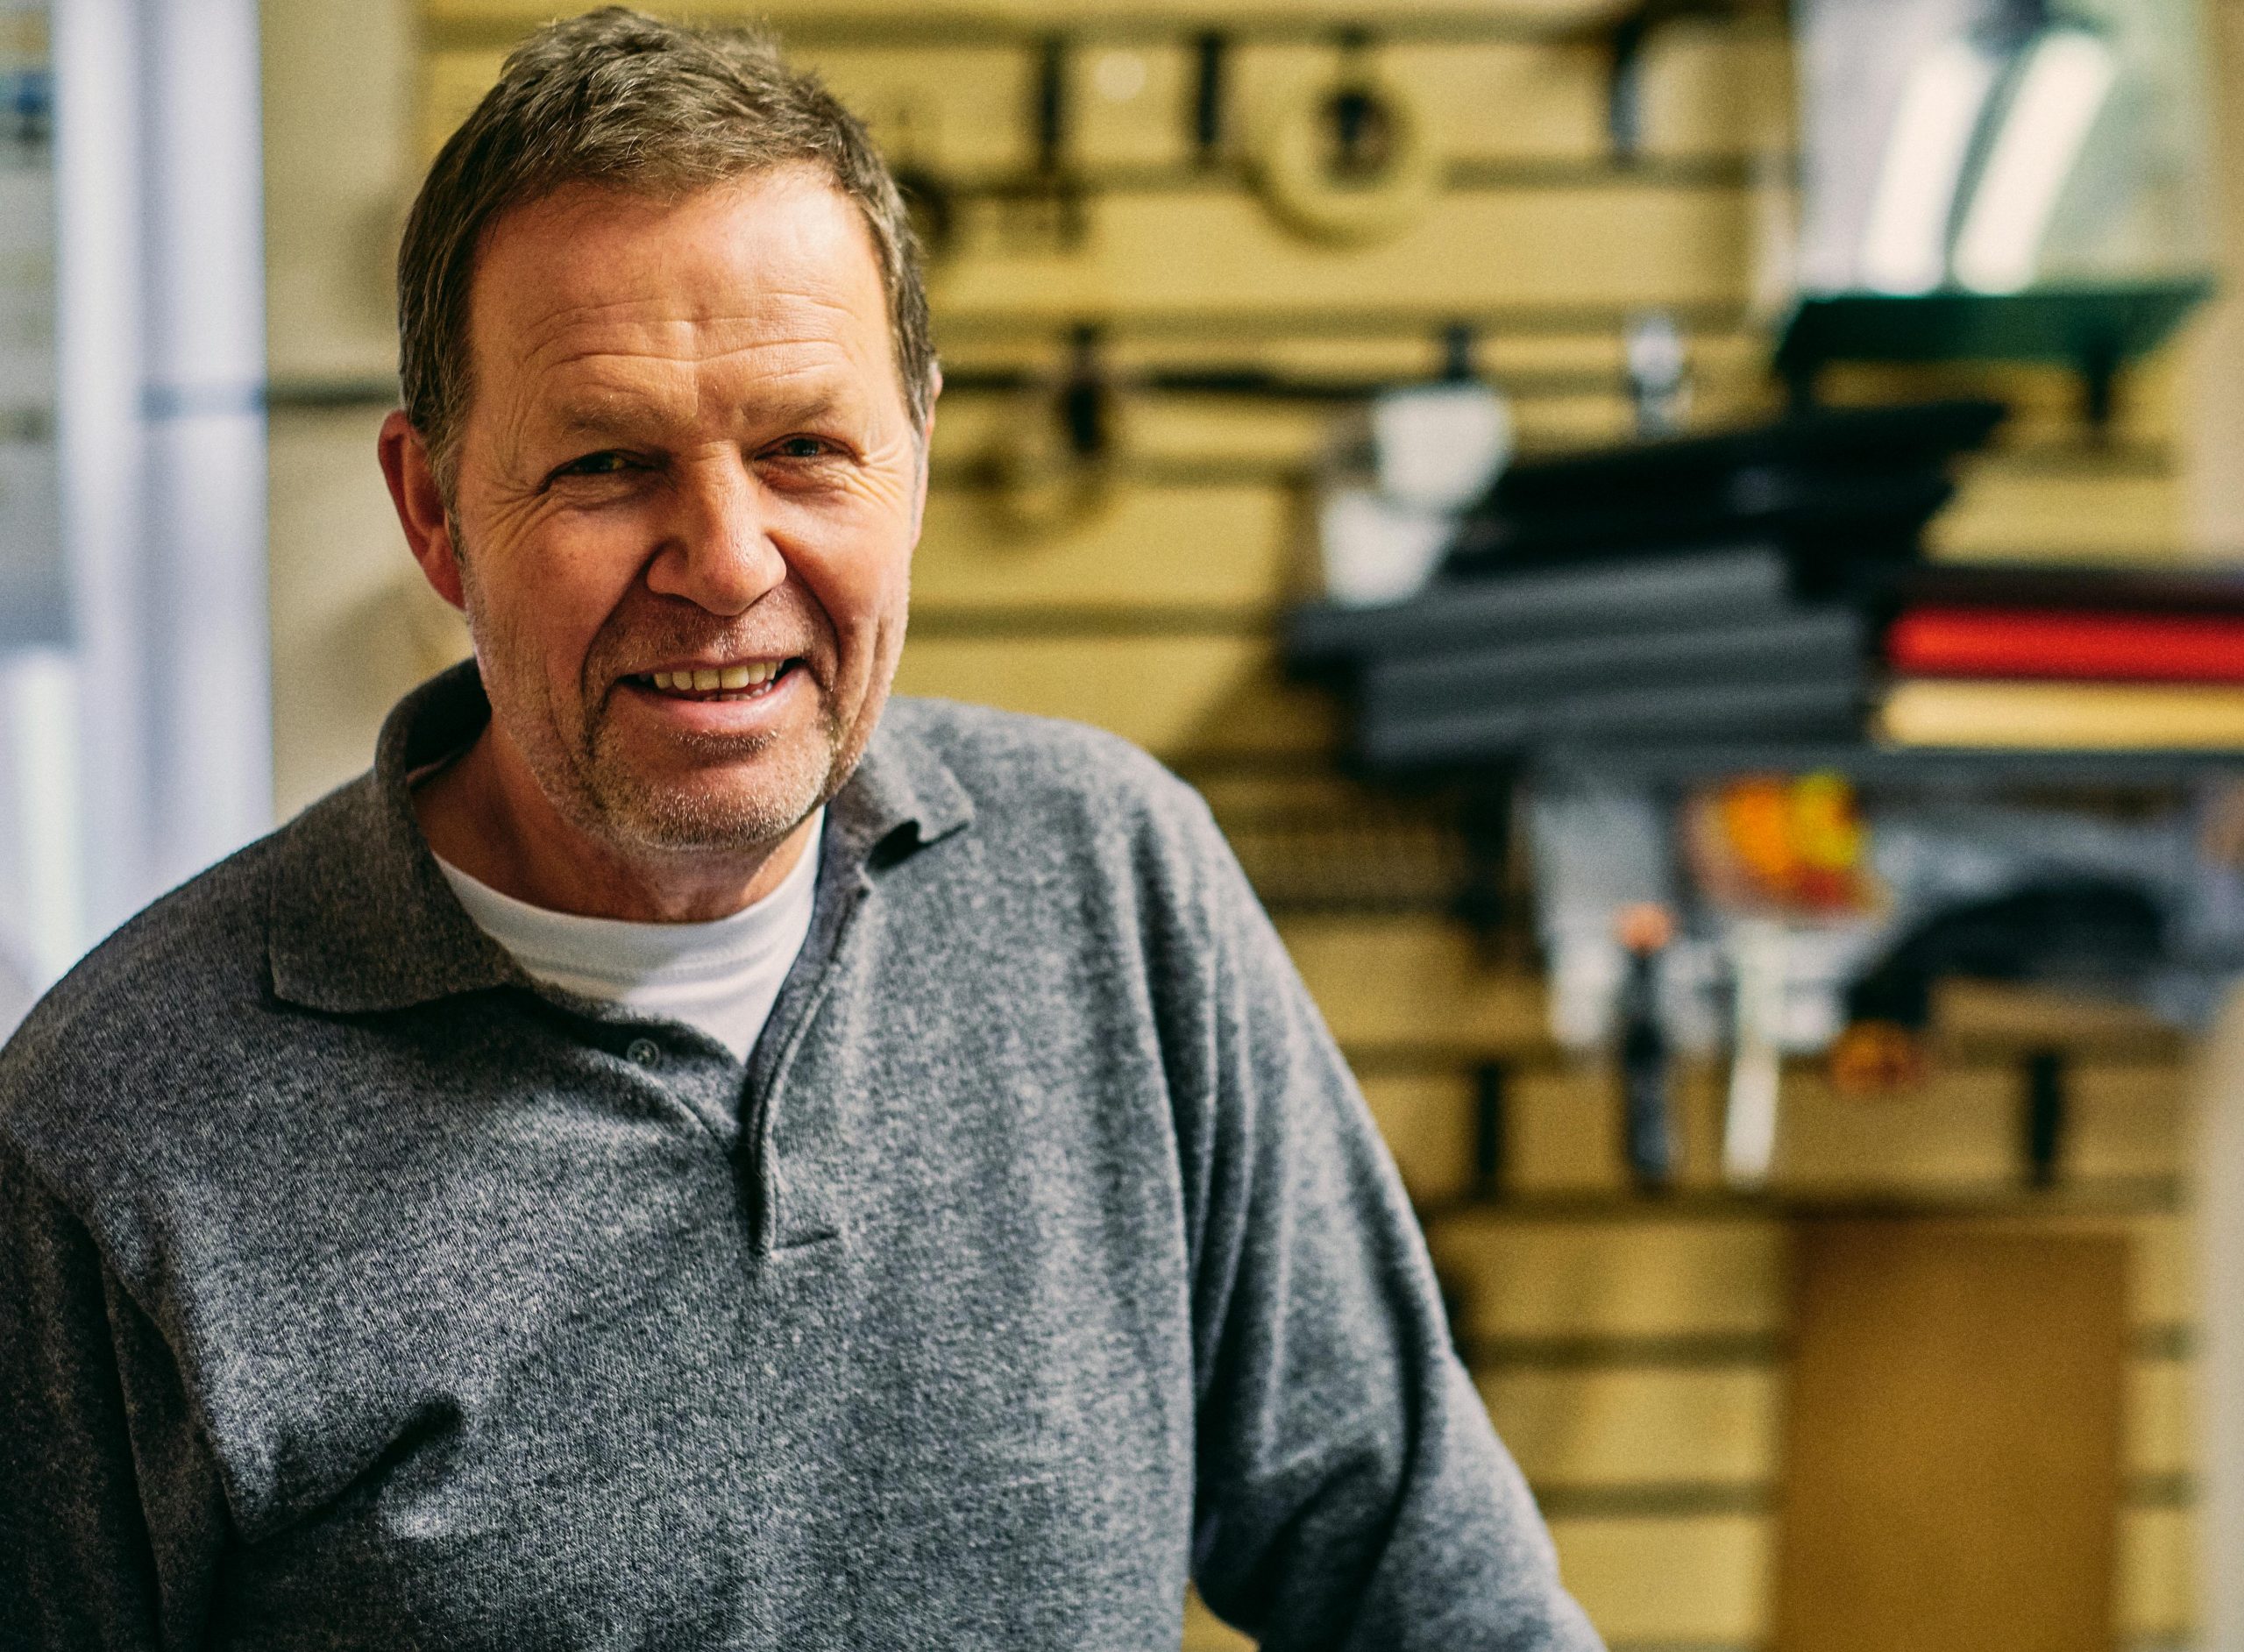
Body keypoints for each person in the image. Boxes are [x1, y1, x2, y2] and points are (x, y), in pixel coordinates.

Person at [0, 11, 1601, 1648]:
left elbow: (1441, 1593)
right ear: (435, 511)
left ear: (908, 461)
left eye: (804, 450)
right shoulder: (113, 1137)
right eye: (609, 462)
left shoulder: (1112, 890)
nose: (726, 557)